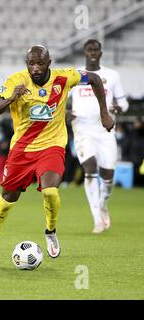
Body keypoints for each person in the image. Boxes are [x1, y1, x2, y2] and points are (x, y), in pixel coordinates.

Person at [0, 45, 114, 264]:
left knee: (50, 191)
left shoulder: (64, 77)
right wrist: (12, 97)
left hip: (52, 146)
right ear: (26, 63)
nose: (35, 68)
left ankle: (50, 231)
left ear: (49, 63)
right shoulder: (16, 80)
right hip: (21, 150)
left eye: (40, 63)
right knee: (7, 199)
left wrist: (104, 113)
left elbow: (95, 78)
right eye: (31, 63)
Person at [70, 39, 129, 234]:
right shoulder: (76, 75)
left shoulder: (112, 75)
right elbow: (60, 97)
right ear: (84, 53)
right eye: (89, 49)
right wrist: (65, 112)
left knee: (108, 176)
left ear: (101, 53)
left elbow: (124, 103)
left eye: (96, 49)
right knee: (89, 168)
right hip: (82, 127)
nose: (93, 52)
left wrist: (119, 108)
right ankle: (96, 219)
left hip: (105, 128)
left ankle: (103, 204)